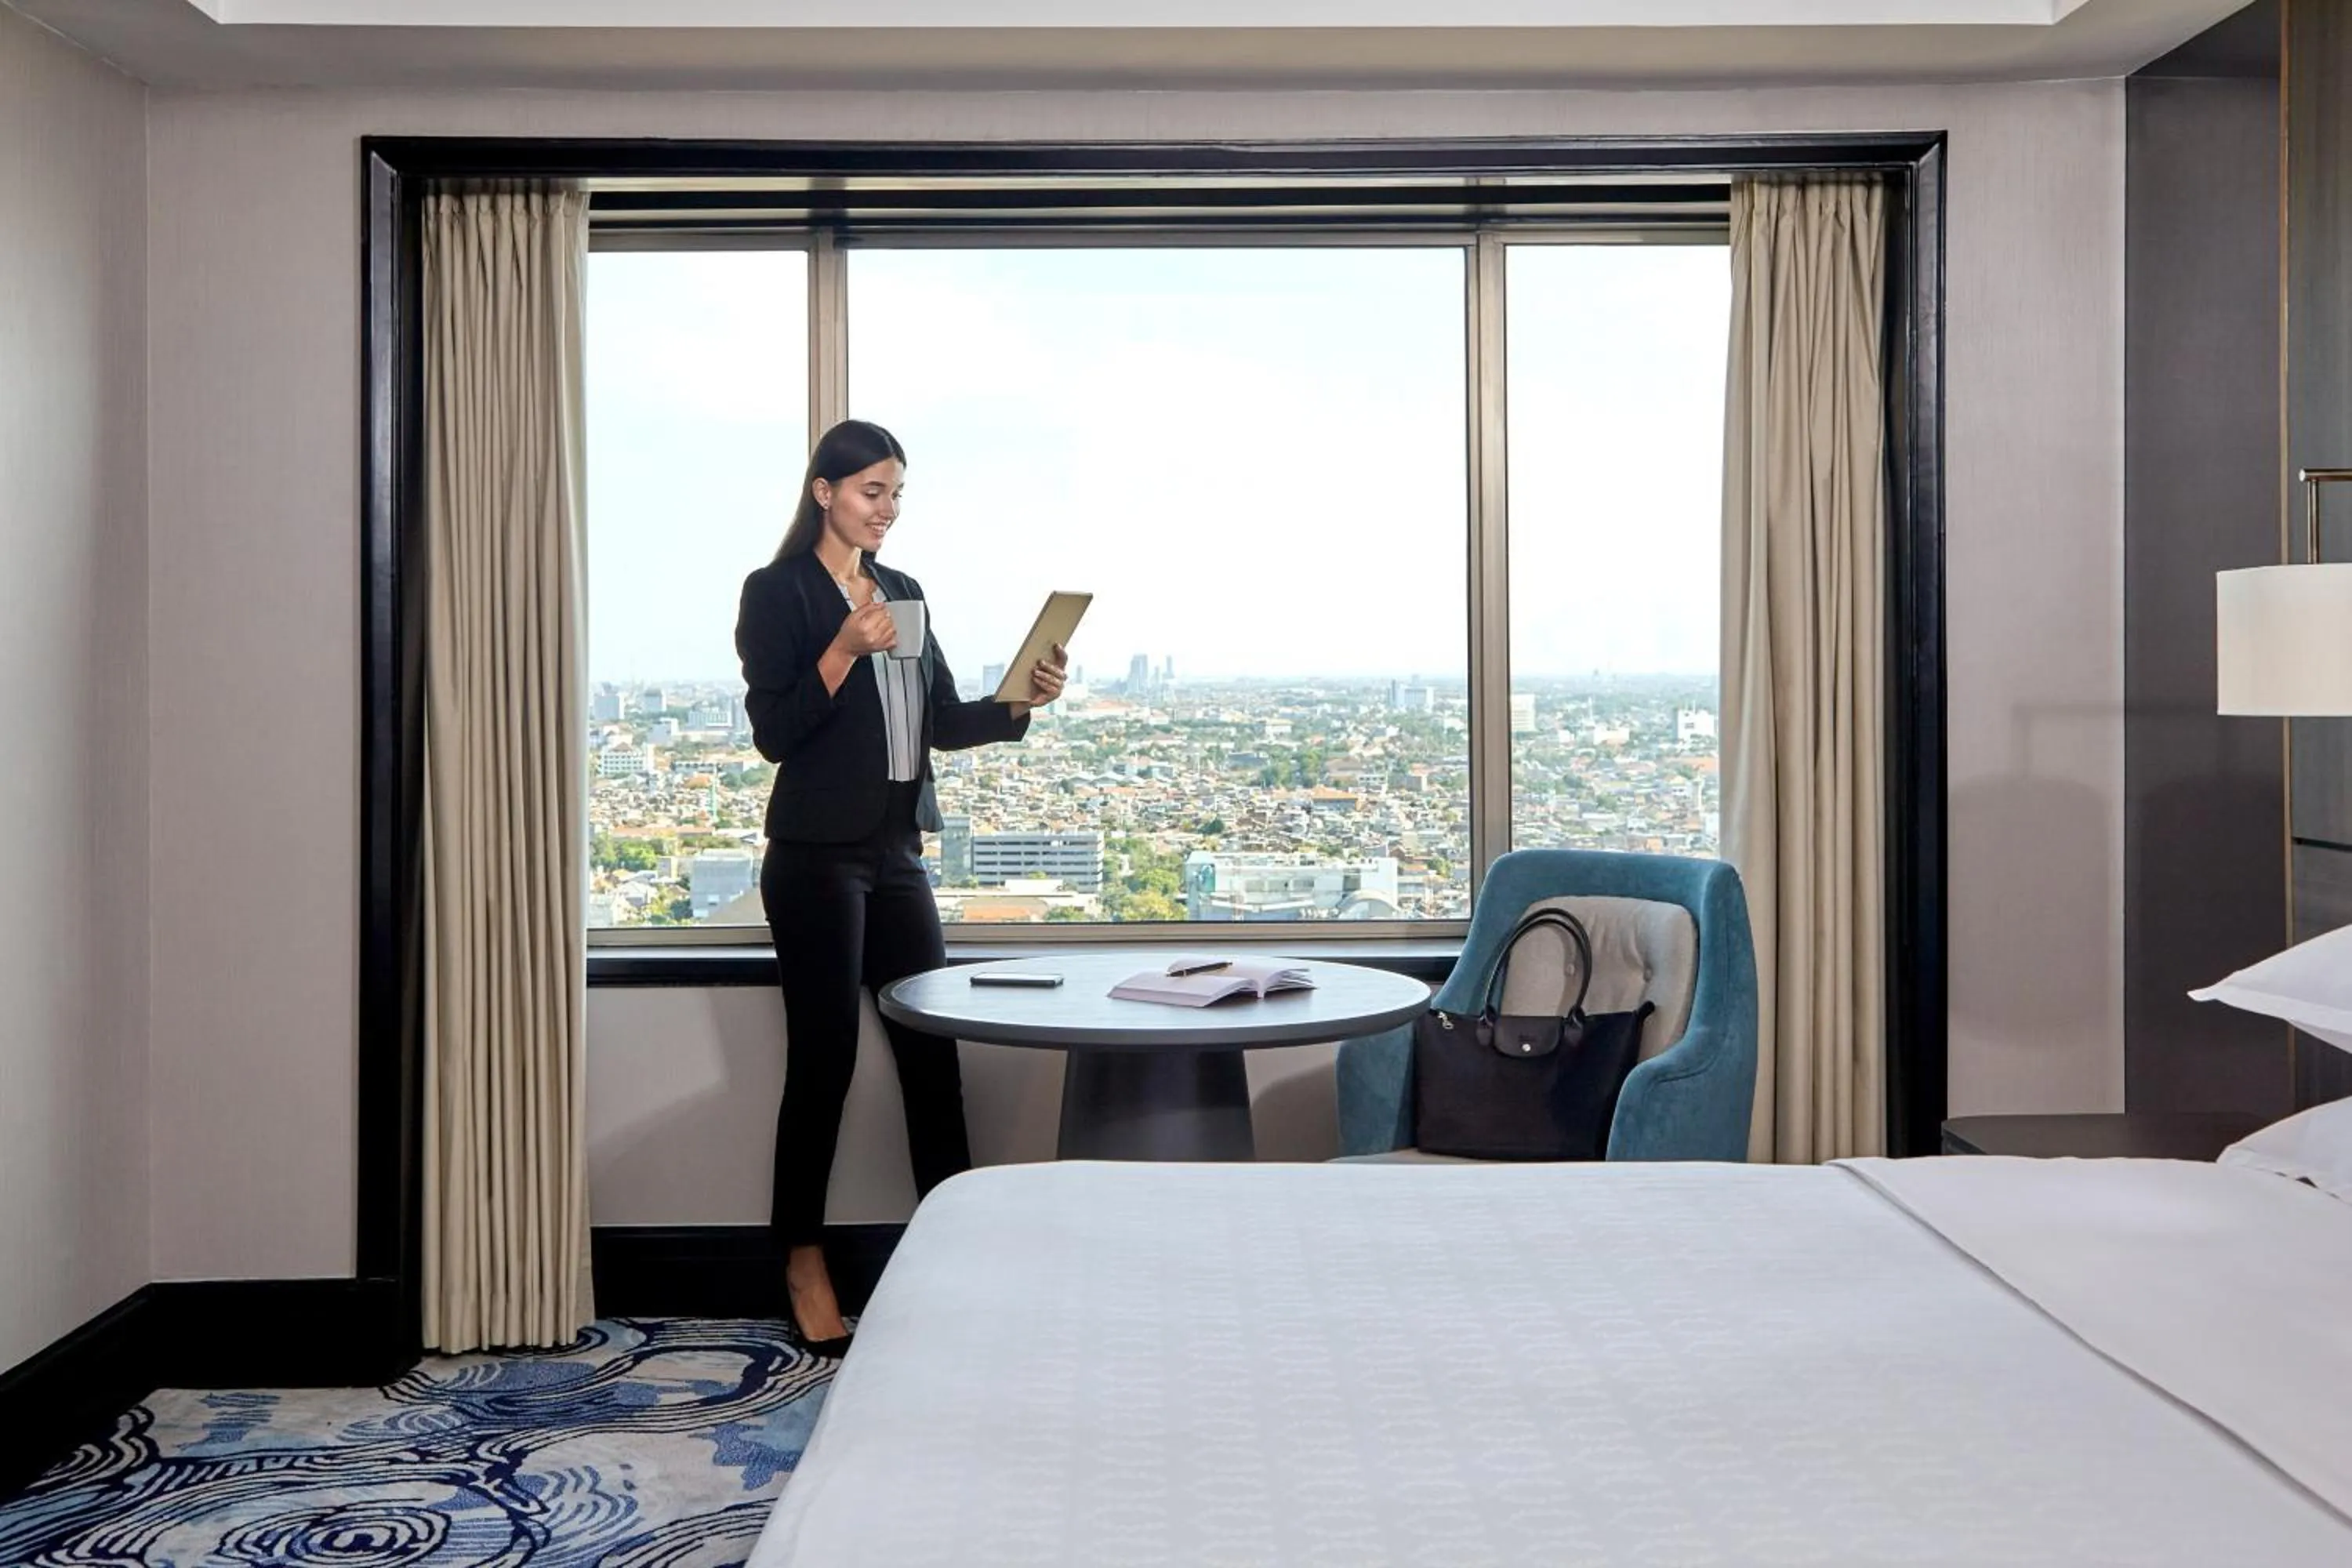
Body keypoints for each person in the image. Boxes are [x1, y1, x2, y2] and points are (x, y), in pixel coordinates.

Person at [735, 419, 1067, 1357]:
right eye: (872, 492)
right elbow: (776, 733)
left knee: (933, 1056)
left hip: (895, 854)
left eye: (896, 496)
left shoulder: (908, 593)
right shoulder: (778, 592)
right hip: (813, 857)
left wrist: (1020, 702)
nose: (886, 510)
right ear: (824, 493)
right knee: (826, 1062)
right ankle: (803, 1259)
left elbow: (942, 720)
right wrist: (841, 649)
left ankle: (955, 1256)